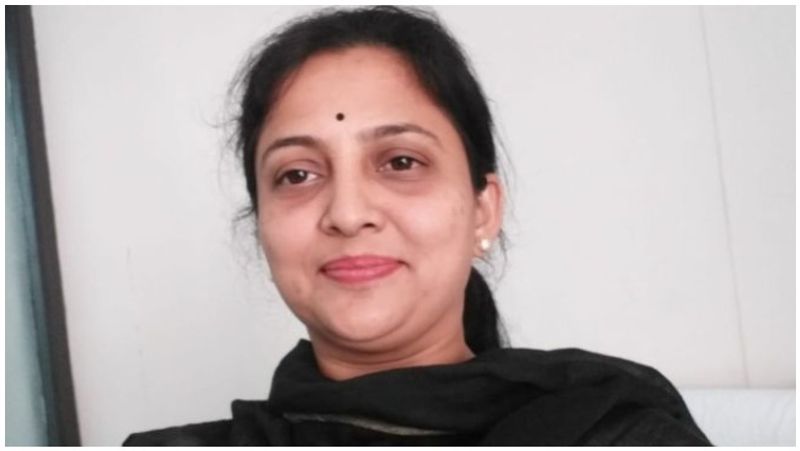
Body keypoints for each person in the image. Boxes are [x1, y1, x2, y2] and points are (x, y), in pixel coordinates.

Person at [124, 6, 711, 445]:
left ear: (483, 208)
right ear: (262, 226)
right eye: (298, 174)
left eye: (401, 162)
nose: (347, 213)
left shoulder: (611, 434)